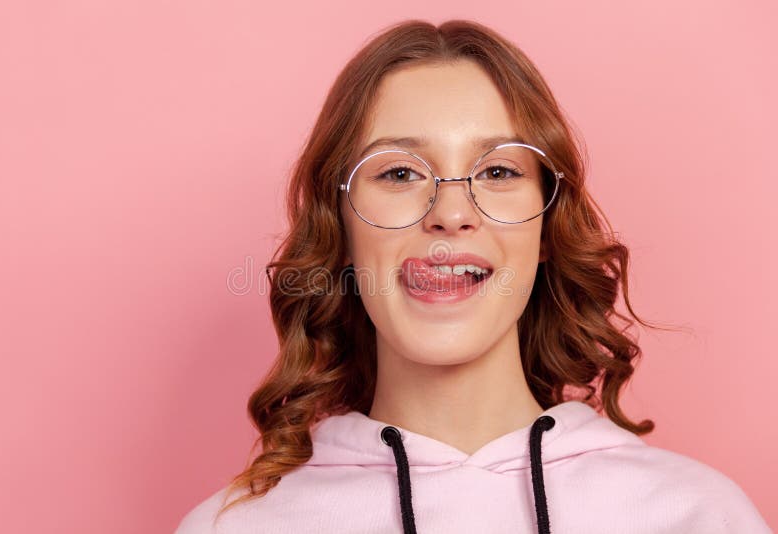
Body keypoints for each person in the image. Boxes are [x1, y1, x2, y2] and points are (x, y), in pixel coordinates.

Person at [175, 19, 771, 534]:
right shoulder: (234, 527)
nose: (451, 214)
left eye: (498, 170)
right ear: (342, 229)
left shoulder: (698, 517)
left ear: (545, 228)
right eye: (401, 174)